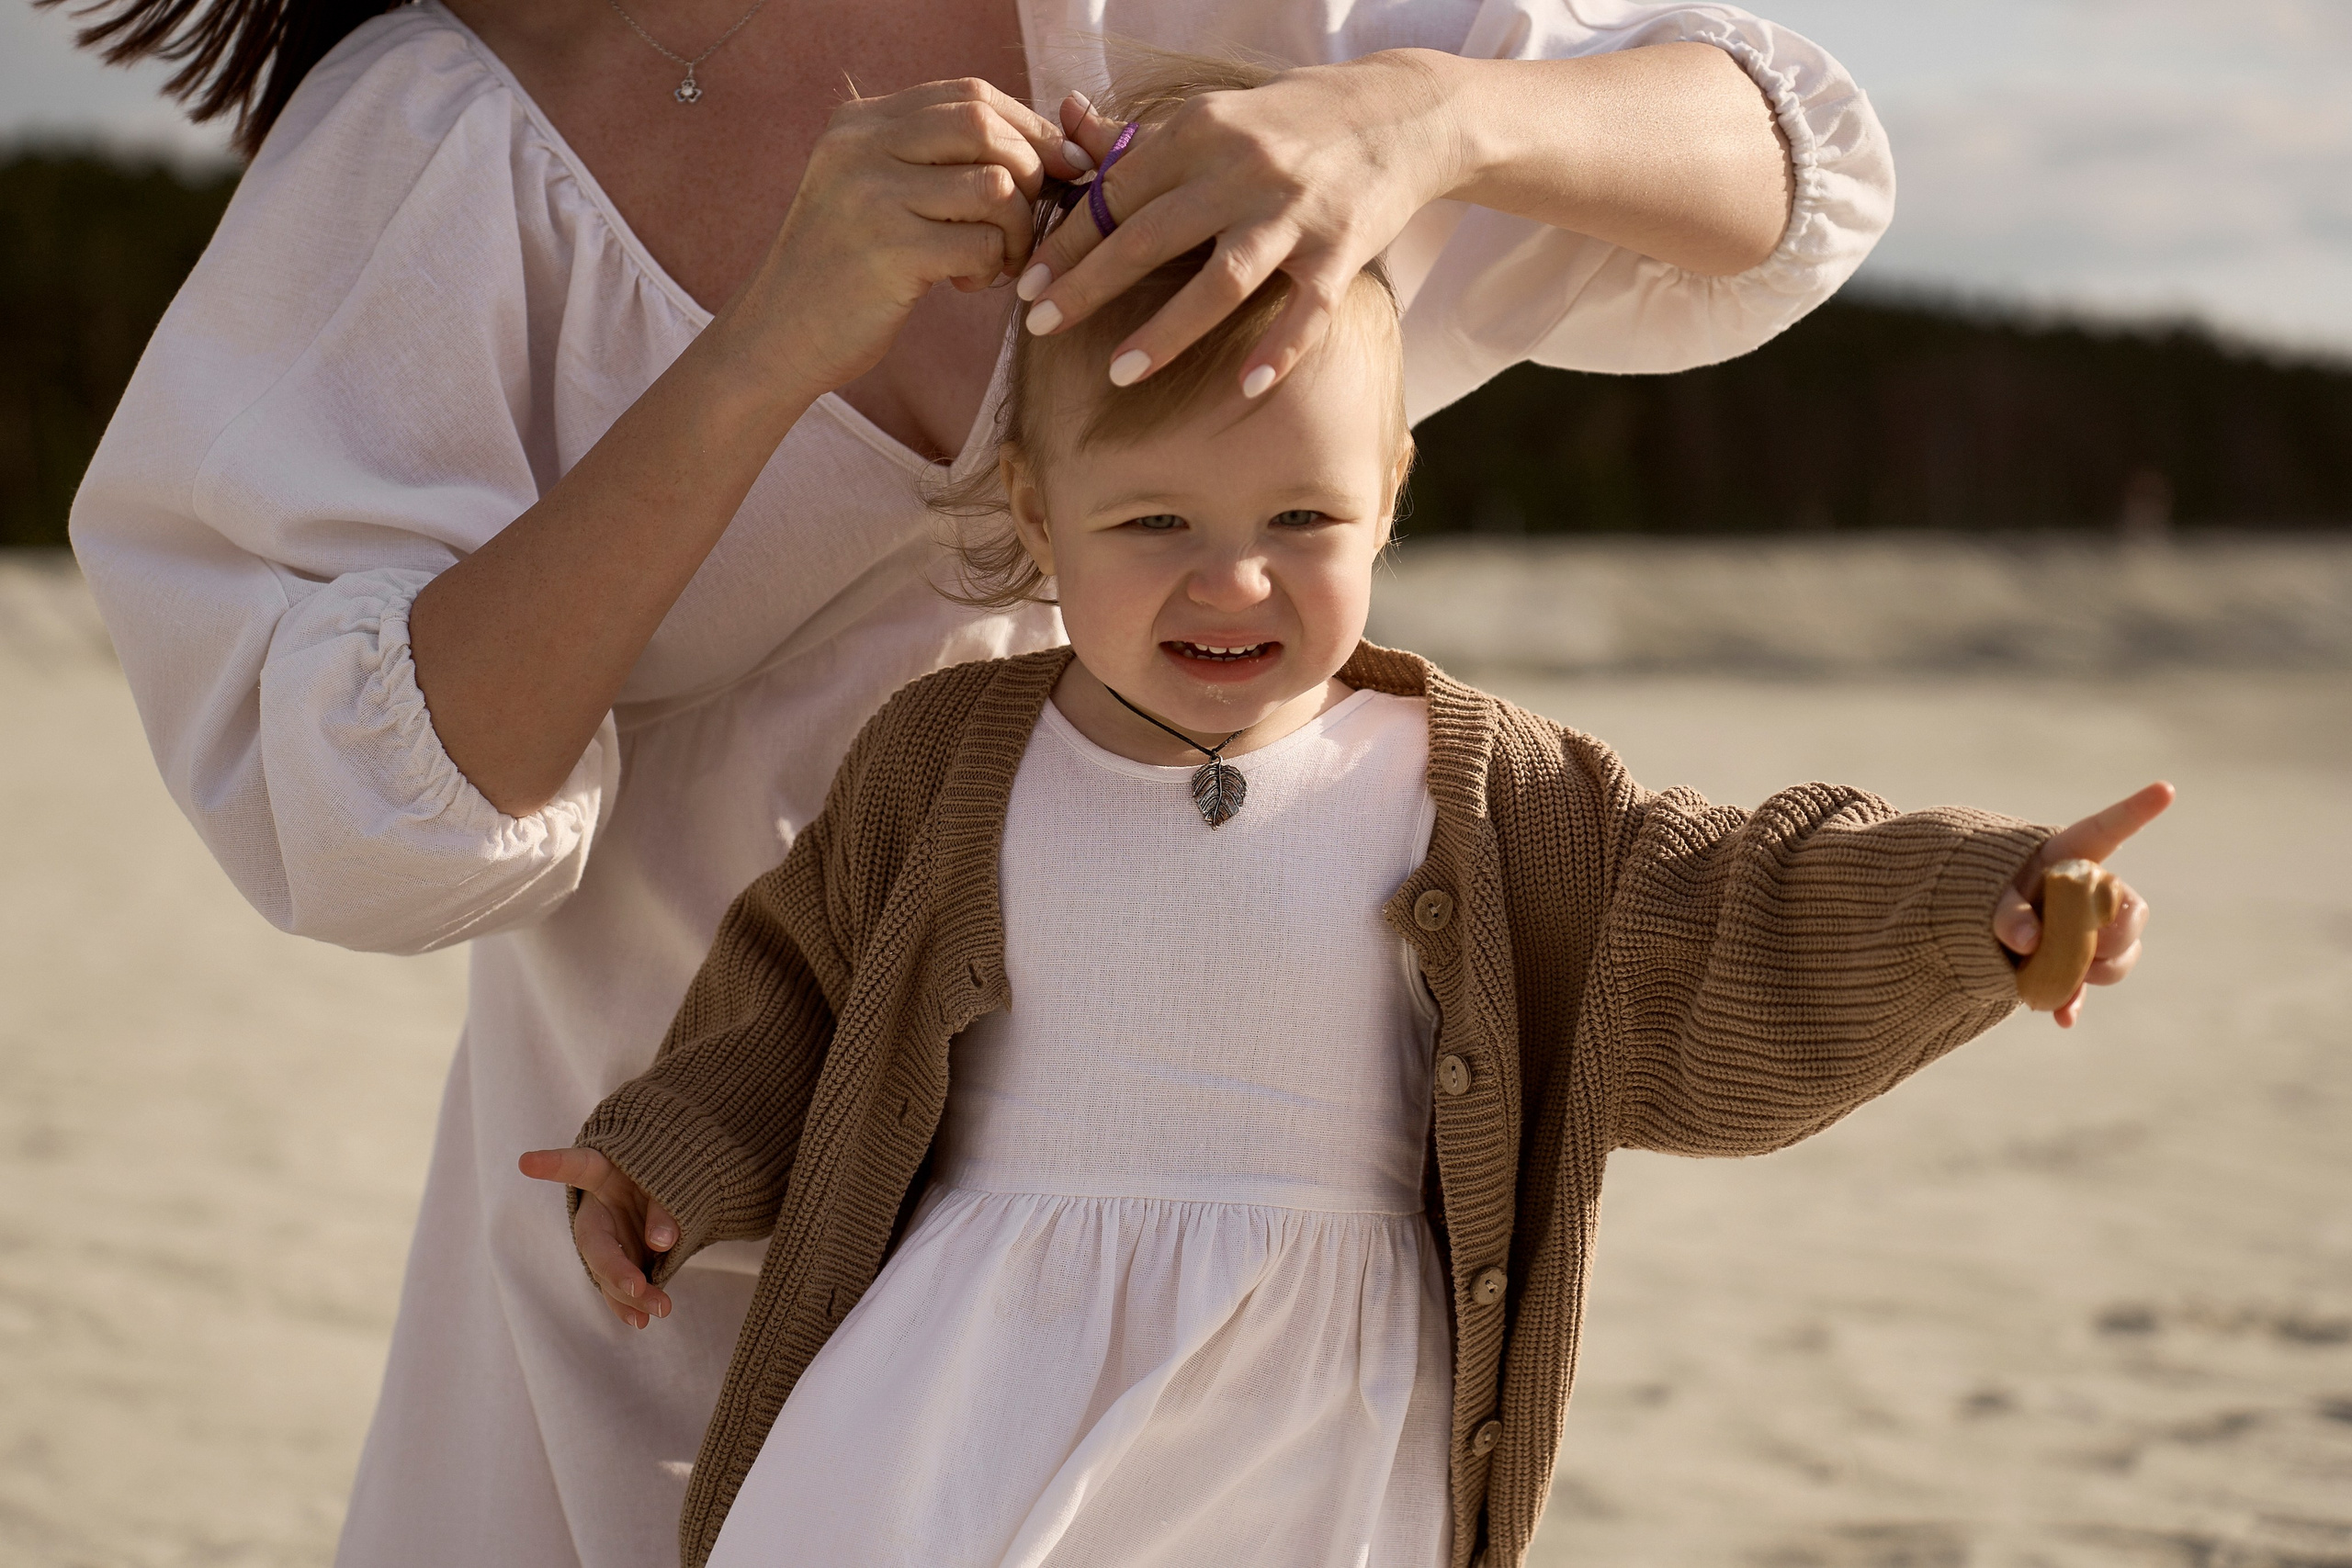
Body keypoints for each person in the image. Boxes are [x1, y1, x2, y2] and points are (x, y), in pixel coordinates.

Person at [62, 0, 1894, 1560]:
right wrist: (770, 345)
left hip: (1228, 1309)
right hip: (679, 1246)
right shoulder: (436, 135)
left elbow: (1783, 170)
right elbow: (350, 817)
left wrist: (1418, 119)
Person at [521, 161, 2169, 1568]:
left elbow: (1718, 910)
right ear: (1038, 514)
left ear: (1386, 500)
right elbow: (806, 989)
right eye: (1154, 522)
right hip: (974, 1365)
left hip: (1313, 1406)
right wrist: (671, 1154)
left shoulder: (1486, 796)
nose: (1232, 581)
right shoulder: (952, 759)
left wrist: (1977, 907)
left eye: (1301, 522)